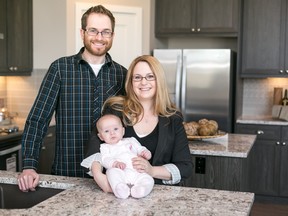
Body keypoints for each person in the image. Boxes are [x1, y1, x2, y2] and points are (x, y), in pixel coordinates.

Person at [17, 5, 127, 192]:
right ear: (82, 32)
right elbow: (38, 120)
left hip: (112, 178)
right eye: (93, 30)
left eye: (105, 32)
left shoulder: (122, 74)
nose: (99, 37)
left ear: (112, 36)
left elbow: (131, 123)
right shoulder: (60, 69)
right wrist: (29, 165)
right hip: (68, 173)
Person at [81, 55, 193, 193]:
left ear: (159, 80)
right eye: (137, 77)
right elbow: (95, 146)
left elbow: (185, 167)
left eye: (150, 76)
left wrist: (152, 170)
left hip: (158, 195)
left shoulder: (173, 118)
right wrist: (99, 176)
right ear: (131, 82)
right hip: (118, 193)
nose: (143, 82)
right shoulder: (116, 109)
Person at [89, 114, 154, 199]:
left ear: (123, 131)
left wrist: (145, 152)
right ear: (101, 136)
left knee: (148, 179)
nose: (112, 133)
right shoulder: (105, 147)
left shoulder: (131, 140)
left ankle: (141, 190)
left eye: (116, 129)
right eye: (106, 131)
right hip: (120, 172)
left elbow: (140, 148)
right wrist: (115, 163)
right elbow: (105, 159)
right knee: (111, 172)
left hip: (137, 171)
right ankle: (120, 188)